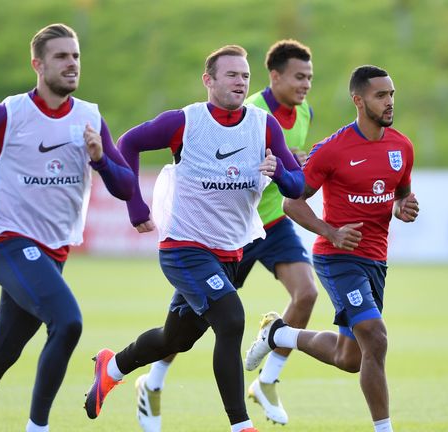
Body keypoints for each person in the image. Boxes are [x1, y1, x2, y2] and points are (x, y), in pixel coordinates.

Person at [0, 23, 134, 432]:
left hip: (54, 252)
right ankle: (38, 428)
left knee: (2, 353)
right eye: (61, 57)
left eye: (75, 56)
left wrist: (101, 158)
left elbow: (124, 188)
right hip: (9, 242)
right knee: (68, 322)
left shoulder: (90, 117)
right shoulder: (10, 113)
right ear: (37, 64)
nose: (72, 64)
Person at [84, 45, 305, 432]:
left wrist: (280, 174)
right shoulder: (185, 122)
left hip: (230, 253)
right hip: (184, 249)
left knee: (176, 339)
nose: (240, 82)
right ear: (209, 80)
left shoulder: (264, 125)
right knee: (232, 319)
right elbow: (130, 142)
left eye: (245, 76)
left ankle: (112, 367)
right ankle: (241, 425)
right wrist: (135, 206)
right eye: (232, 75)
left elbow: (298, 183)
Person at [245, 65, 419, 432]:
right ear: (358, 101)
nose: (389, 103)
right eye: (380, 96)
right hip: (337, 258)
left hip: (375, 261)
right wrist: (331, 232)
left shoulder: (402, 147)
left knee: (350, 357)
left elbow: (401, 196)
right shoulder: (333, 149)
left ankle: (279, 333)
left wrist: (403, 208)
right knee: (375, 335)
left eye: (392, 95)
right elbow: (292, 202)